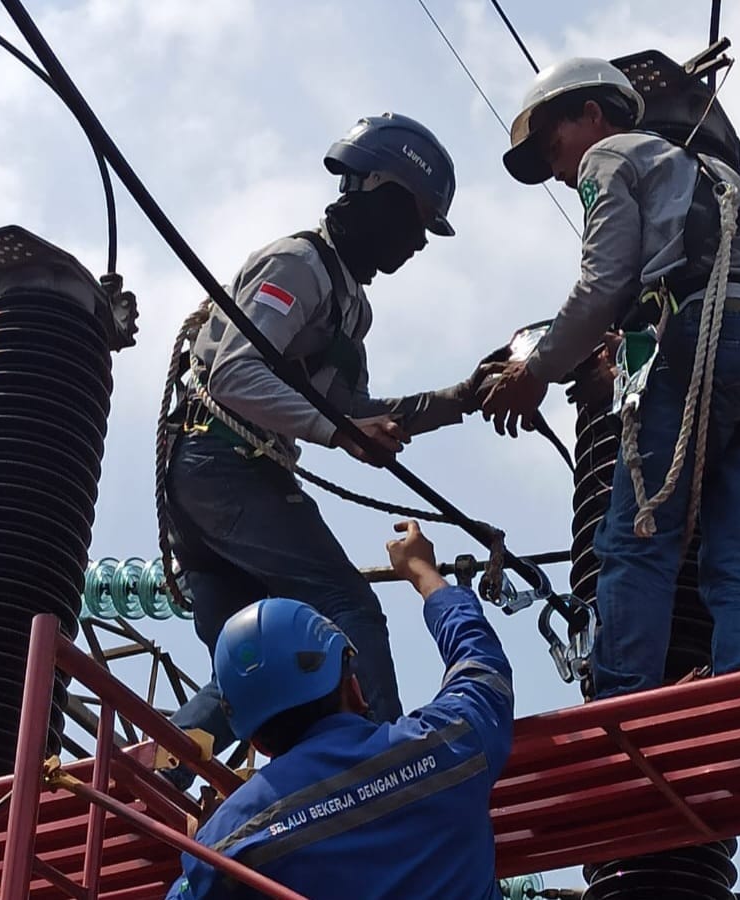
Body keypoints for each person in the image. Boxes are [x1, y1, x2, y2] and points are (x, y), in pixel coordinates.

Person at [164, 112, 495, 775]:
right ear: (378, 193)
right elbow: (233, 375)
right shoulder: (299, 264)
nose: (417, 244)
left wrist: (460, 399)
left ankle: (159, 769)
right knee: (346, 611)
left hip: (221, 482)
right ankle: (385, 766)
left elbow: (351, 412)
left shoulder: (349, 305)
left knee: (257, 666)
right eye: (416, 222)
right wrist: (339, 432)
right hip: (224, 465)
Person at [483, 58, 740, 697]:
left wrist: (537, 371)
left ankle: (622, 701)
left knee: (636, 537)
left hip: (712, 341)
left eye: (553, 146)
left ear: (592, 114)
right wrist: (624, 356)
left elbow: (602, 283)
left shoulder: (608, 155)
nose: (559, 171)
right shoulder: (710, 172)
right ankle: (739, 694)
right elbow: (689, 280)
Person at [165, 520, 514, 900]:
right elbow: (482, 668)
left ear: (257, 741)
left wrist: (206, 849)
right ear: (352, 685)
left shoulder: (228, 841)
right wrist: (423, 574)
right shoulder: (448, 743)